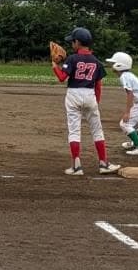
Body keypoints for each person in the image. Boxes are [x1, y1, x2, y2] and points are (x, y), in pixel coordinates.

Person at [51, 27, 120, 176]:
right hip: (90, 95)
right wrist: (96, 102)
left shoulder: (72, 58)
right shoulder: (96, 61)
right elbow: (98, 85)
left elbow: (62, 78)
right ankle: (103, 164)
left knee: (74, 131)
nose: (71, 44)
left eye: (72, 41)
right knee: (97, 130)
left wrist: (55, 66)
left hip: (73, 95)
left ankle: (76, 166)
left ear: (77, 42)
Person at [105, 51, 138, 156]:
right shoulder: (127, 75)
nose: (112, 65)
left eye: (114, 63)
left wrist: (127, 112)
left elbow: (130, 94)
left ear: (120, 65)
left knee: (125, 124)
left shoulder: (124, 76)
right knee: (135, 123)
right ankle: (136, 143)